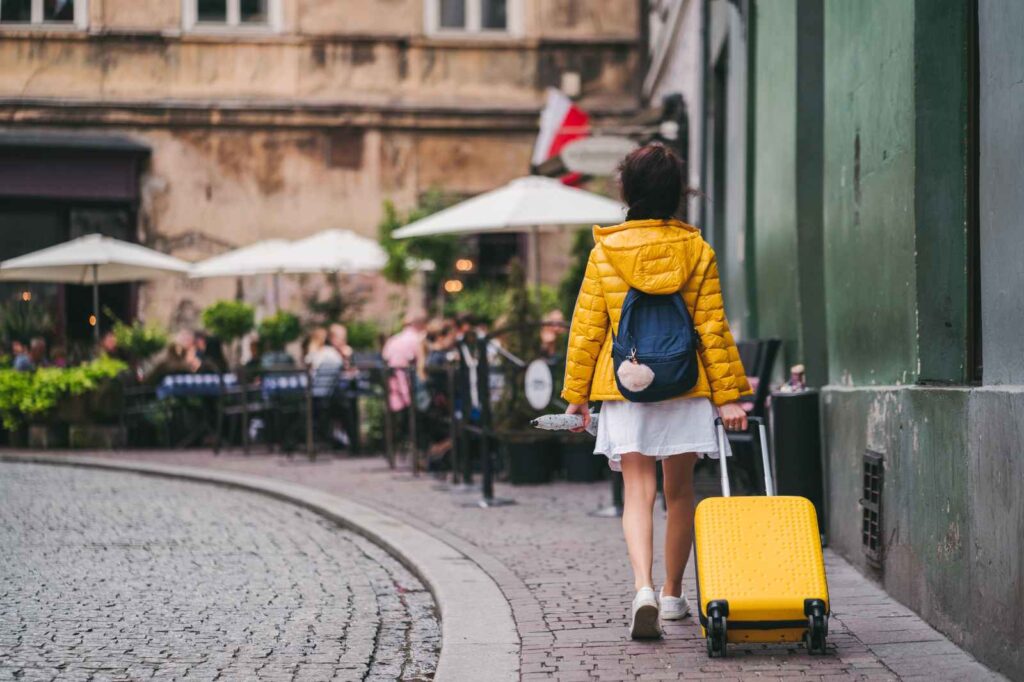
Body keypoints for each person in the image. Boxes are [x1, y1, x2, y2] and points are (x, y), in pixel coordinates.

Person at [561, 143, 752, 640]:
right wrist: (730, 393)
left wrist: (576, 394)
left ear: (627, 191)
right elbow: (711, 326)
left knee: (638, 493)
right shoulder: (697, 250)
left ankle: (641, 587)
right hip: (686, 385)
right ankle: (672, 595)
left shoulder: (605, 250)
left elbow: (586, 328)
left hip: (625, 386)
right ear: (677, 194)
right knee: (681, 491)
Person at [381, 310, 427, 413]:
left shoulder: (393, 339)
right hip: (410, 389)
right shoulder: (417, 339)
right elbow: (421, 364)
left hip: (394, 387)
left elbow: (385, 357)